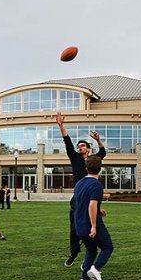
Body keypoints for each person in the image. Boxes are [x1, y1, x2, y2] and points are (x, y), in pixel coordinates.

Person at [56, 112, 106, 267]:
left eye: (83, 145)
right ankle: (74, 253)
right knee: (74, 229)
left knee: (93, 226)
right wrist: (61, 126)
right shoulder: (75, 158)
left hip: (90, 197)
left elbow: (103, 152)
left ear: (88, 149)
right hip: (77, 199)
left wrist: (98, 140)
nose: (79, 147)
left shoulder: (94, 160)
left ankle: (91, 253)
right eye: (79, 146)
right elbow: (68, 142)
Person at [74, 156, 113, 280]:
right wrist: (94, 226)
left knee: (91, 250)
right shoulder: (96, 185)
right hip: (90, 224)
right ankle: (95, 270)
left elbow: (82, 203)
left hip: (79, 225)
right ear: (100, 169)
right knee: (108, 247)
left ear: (86, 168)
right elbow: (91, 205)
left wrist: (99, 209)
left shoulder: (79, 183)